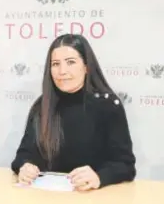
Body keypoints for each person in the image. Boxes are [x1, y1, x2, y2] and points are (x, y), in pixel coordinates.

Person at [11, 34, 136, 191]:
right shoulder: (42, 104)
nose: (62, 71)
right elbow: (22, 156)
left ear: (86, 66)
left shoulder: (108, 105)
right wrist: (25, 167)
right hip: (46, 196)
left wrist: (99, 177)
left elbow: (125, 165)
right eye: (55, 64)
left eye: (70, 62)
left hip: (92, 197)